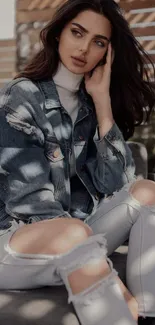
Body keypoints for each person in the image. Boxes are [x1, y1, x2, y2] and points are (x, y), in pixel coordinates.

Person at [0, 0, 155, 324]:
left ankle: (147, 314)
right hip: (16, 238)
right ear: (58, 34)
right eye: (77, 32)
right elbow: (31, 206)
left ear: (107, 53)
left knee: (147, 191)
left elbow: (116, 185)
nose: (84, 48)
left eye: (98, 41)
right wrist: (110, 277)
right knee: (71, 232)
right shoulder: (22, 95)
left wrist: (101, 102)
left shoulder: (88, 102)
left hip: (77, 233)